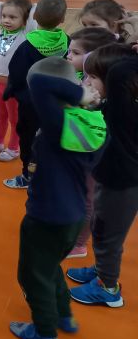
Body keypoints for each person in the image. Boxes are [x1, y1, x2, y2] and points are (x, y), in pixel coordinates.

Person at [9, 57, 104, 339]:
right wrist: (81, 96)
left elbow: (38, 82)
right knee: (50, 267)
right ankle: (64, 315)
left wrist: (77, 92)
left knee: (32, 274)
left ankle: (45, 332)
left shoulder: (57, 125)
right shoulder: (93, 123)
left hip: (46, 217)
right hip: (73, 217)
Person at [67, 48, 137, 309]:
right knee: (99, 227)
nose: (86, 81)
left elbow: (120, 73)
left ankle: (108, 288)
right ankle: (100, 270)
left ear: (114, 83)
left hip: (122, 185)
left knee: (108, 237)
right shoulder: (112, 103)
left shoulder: (124, 109)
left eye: (93, 77)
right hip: (107, 178)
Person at [3, 0, 68, 189]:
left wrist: (10, 91)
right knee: (52, 137)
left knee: (29, 138)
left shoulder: (27, 46)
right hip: (58, 102)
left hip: (32, 104)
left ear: (35, 17)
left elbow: (16, 73)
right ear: (63, 19)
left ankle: (28, 176)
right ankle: (51, 172)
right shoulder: (67, 41)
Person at [0, 0, 35, 162]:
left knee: (15, 119)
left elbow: (33, 12)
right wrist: (10, 9)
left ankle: (13, 148)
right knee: (1, 115)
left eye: (12, 17)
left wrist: (27, 11)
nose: (6, 20)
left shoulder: (26, 34)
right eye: (4, 16)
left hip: (14, 86)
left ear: (25, 21)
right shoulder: (2, 30)